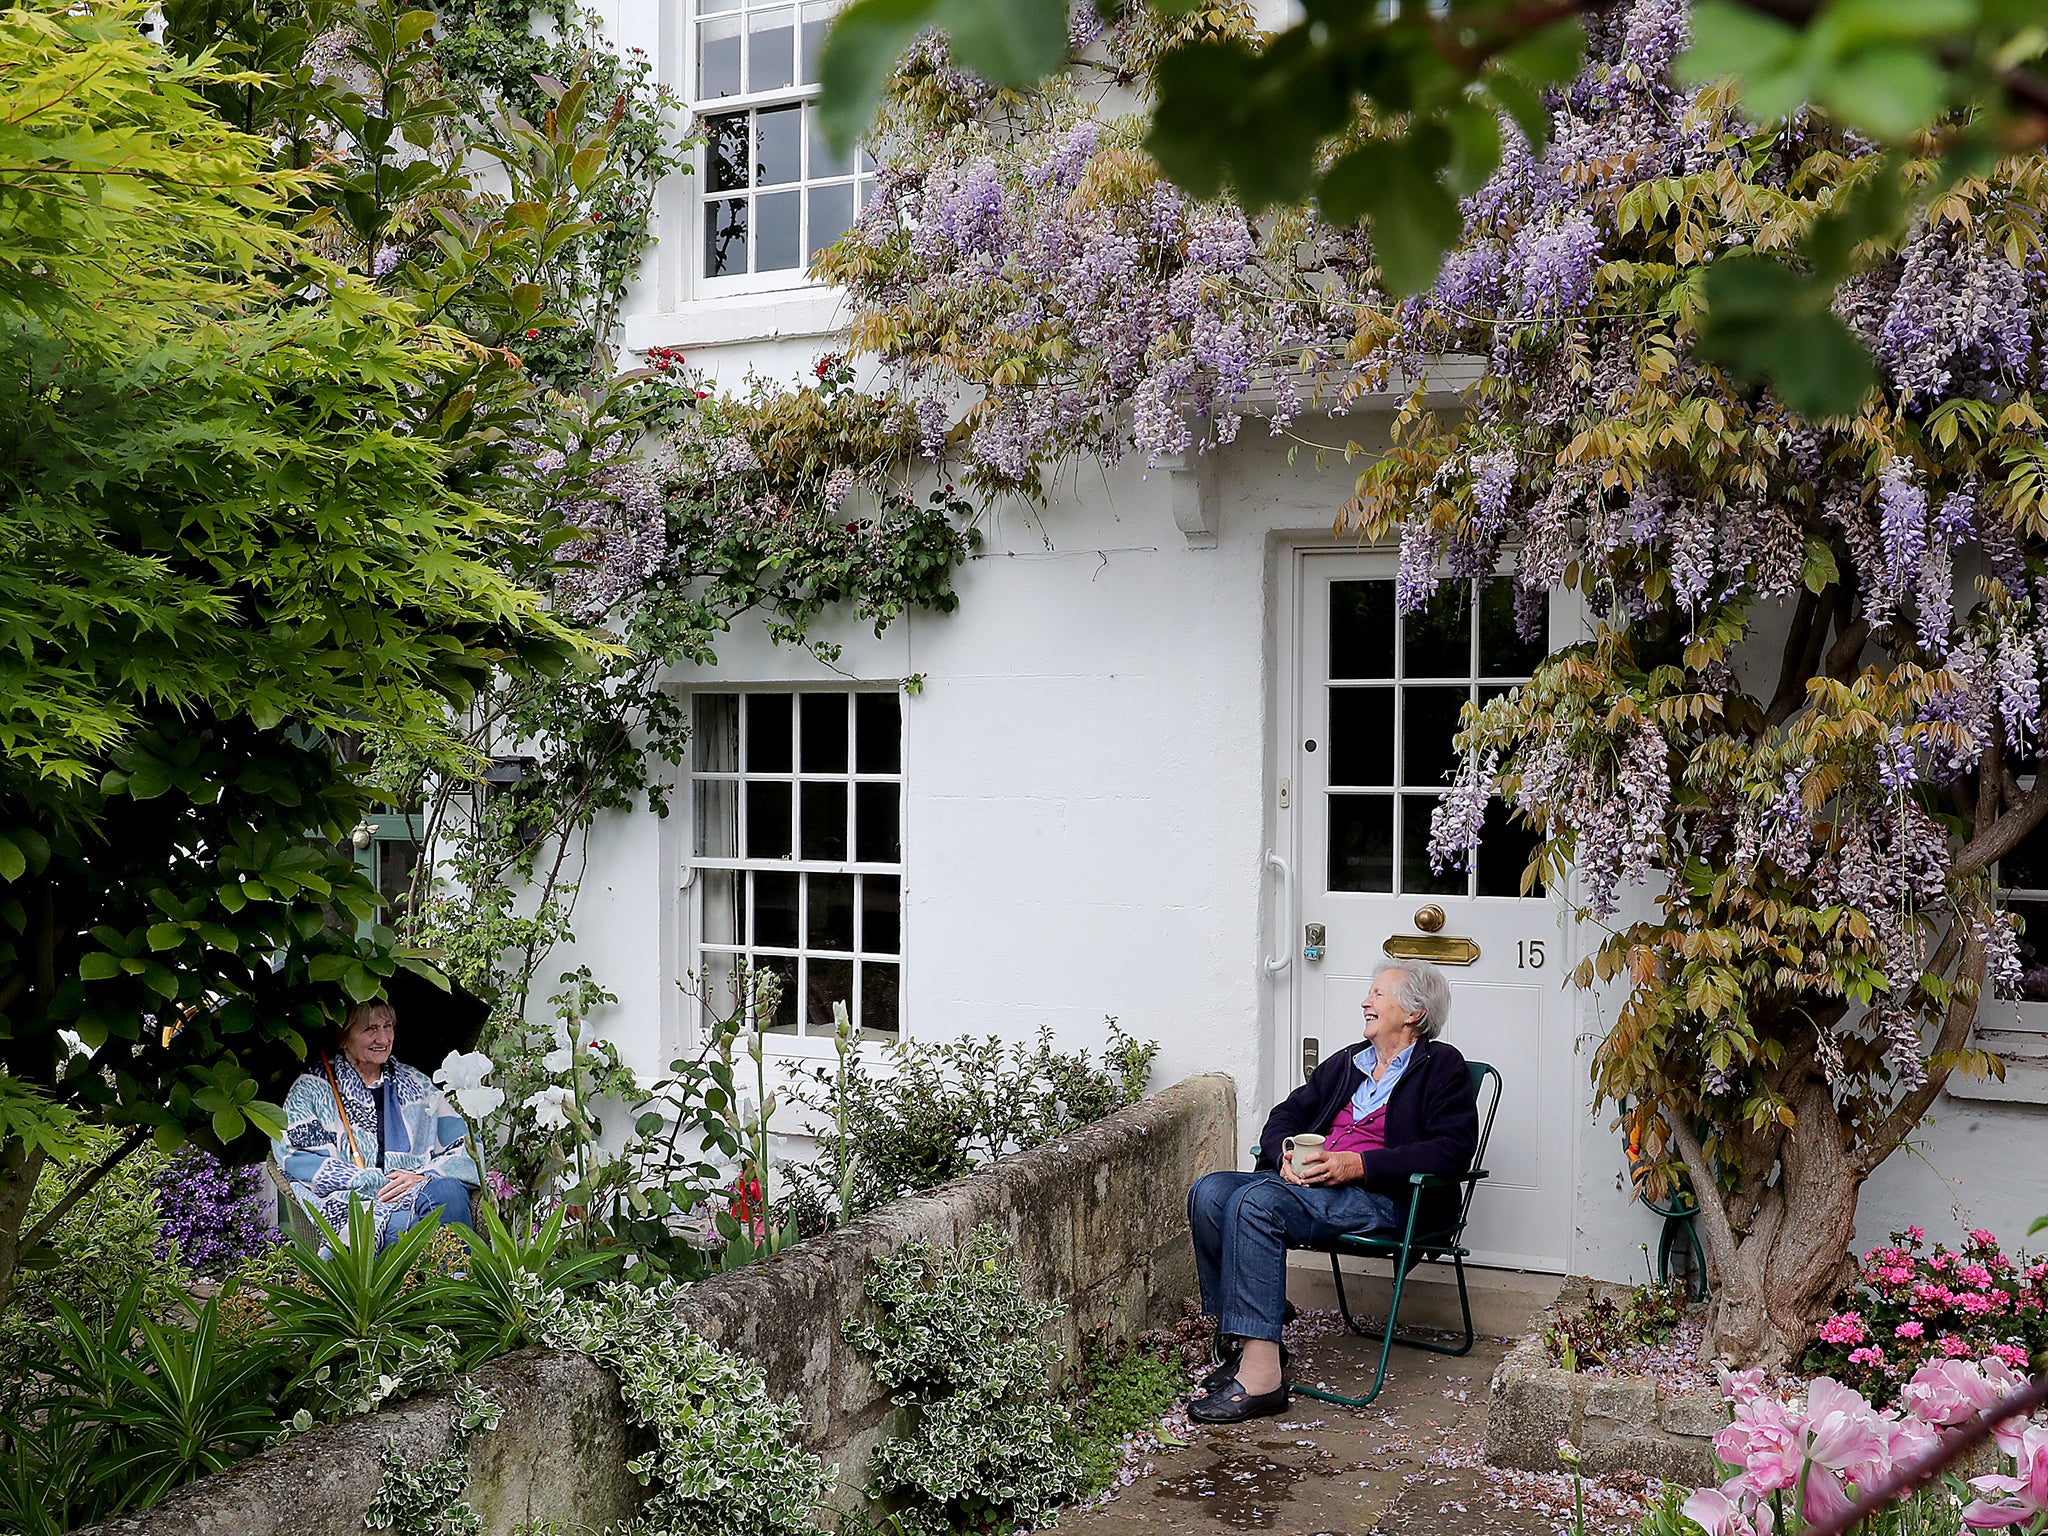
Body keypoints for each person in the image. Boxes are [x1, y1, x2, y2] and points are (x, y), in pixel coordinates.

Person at [1184, 959, 1478, 1423]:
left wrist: (1358, 1164)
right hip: (1310, 1189)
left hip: (1383, 1198)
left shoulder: (1442, 1067)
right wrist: (1283, 1152)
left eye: (1379, 994)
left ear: (1415, 1013)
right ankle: (1253, 1344)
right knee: (1210, 1193)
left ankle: (1262, 1381)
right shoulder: (1349, 1062)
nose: (1366, 1001)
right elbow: (1287, 1113)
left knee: (1255, 1204)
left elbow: (1452, 1150)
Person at [276, 1000, 480, 1249]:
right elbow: (294, 1155)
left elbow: (467, 1147)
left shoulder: (416, 1082)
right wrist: (366, 1179)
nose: (383, 1038)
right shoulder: (311, 1088)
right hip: (354, 1205)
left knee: (448, 1191)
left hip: (419, 1194)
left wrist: (421, 1176)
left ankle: (451, 1283)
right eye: (370, 1029)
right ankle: (451, 1283)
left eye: (387, 1026)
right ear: (343, 1037)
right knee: (420, 1227)